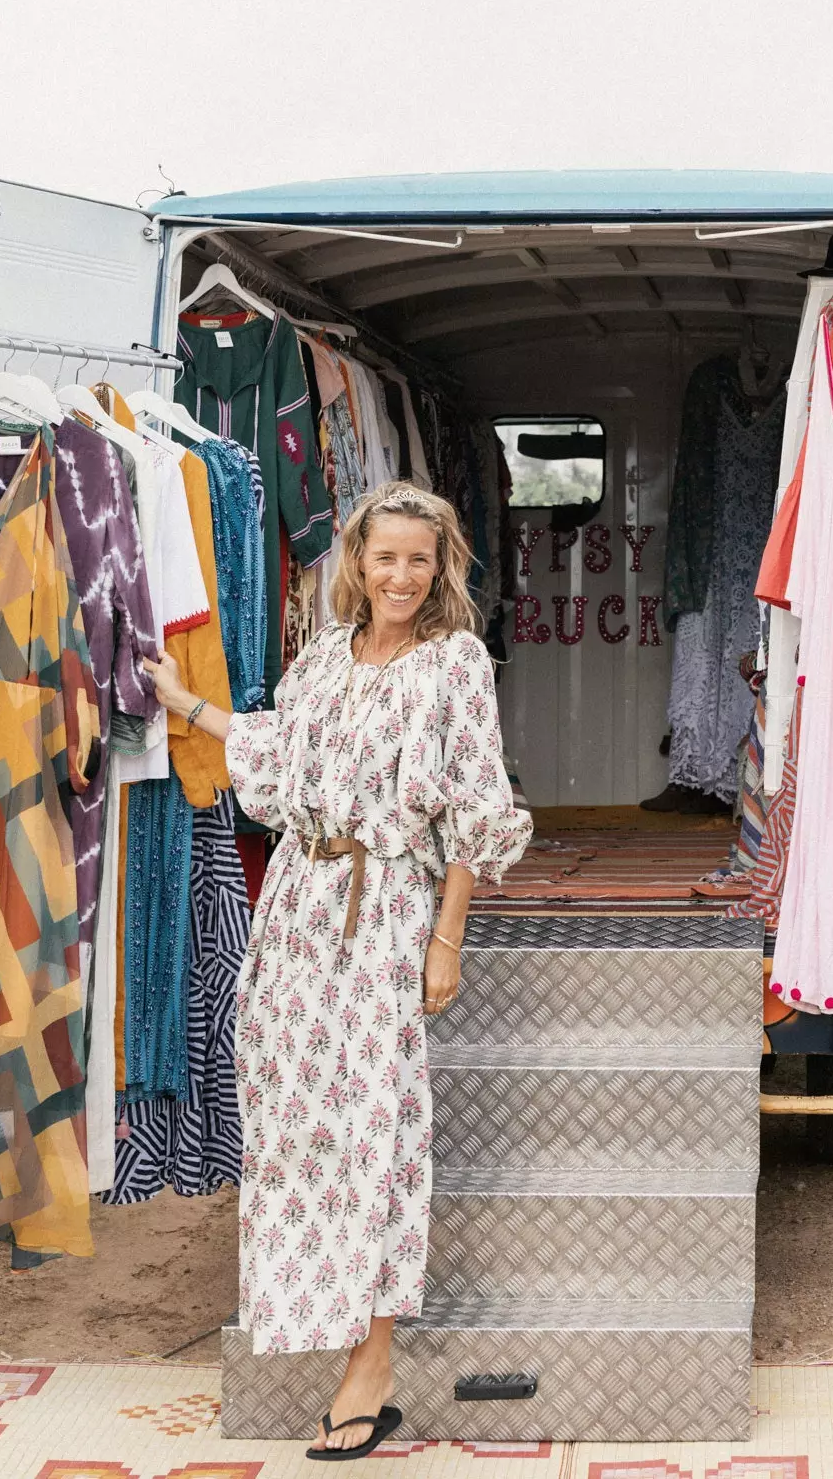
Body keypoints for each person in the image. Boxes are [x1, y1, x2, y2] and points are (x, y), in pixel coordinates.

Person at [145, 483, 533, 1460]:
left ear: (442, 567)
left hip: (388, 913)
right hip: (295, 912)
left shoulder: (454, 668)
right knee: (294, 1132)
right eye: (384, 557)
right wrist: (187, 703)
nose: (400, 576)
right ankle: (318, 1321)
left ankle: (371, 1367)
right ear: (356, 562)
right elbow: (275, 751)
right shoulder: (322, 660)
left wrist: (445, 941)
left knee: (378, 1133)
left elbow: (473, 814)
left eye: (418, 560)